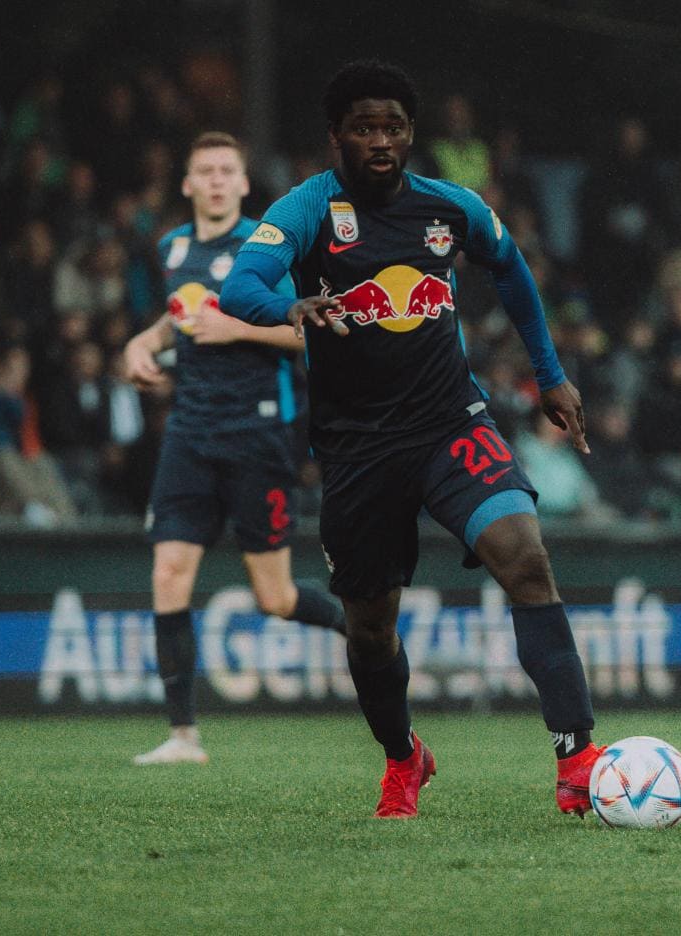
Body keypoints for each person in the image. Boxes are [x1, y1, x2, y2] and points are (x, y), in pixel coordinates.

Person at [220, 60, 601, 818]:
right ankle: (404, 758)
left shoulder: (449, 208)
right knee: (370, 631)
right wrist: (286, 309)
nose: (382, 141)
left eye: (393, 126)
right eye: (365, 127)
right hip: (357, 450)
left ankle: (578, 757)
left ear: (410, 134)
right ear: (337, 137)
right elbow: (239, 287)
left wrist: (551, 373)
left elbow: (513, 268)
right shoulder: (306, 211)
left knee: (525, 558)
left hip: (448, 422)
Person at [121, 131, 347, 765]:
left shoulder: (269, 245)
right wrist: (141, 346)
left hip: (260, 432)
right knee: (168, 575)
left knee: (273, 599)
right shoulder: (171, 247)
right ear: (188, 183)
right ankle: (183, 736)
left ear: (245, 184)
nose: (217, 180)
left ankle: (365, 632)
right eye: (205, 171)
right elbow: (176, 319)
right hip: (190, 432)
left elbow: (316, 335)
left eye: (228, 171)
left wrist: (237, 327)